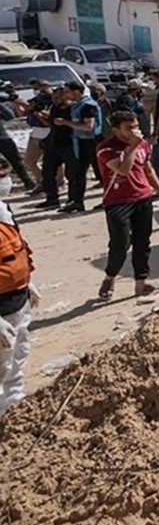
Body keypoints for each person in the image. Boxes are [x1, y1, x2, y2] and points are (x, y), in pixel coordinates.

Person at [95, 110, 159, 301]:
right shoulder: (106, 149)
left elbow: (148, 170)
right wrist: (131, 148)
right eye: (129, 128)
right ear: (116, 130)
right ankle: (110, 276)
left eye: (135, 126)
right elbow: (123, 169)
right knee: (120, 244)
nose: (134, 131)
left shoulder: (143, 145)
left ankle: (141, 282)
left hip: (142, 197)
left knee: (142, 242)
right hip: (118, 201)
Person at [0, 190, 36, 416]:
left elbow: (17, 250)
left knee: (17, 356)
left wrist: (27, 281)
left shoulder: (4, 211)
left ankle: (14, 406)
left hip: (17, 299)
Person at [55, 81, 101, 214]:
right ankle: (77, 202)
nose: (65, 94)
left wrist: (66, 123)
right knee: (78, 173)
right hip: (81, 142)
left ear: (76, 91)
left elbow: (88, 126)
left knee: (101, 173)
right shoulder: (77, 106)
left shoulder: (88, 106)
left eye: (67, 91)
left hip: (92, 142)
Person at [38, 86, 73, 210]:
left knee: (72, 175)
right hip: (54, 144)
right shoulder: (54, 108)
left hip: (69, 144)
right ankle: (52, 199)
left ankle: (73, 201)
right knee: (47, 172)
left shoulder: (72, 108)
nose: (55, 99)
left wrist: (65, 122)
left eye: (57, 97)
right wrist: (41, 117)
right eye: (53, 97)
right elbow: (52, 124)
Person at [22, 79, 54, 192]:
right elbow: (23, 112)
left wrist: (39, 114)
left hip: (49, 131)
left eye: (38, 88)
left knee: (53, 160)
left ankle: (59, 182)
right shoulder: (37, 99)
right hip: (36, 131)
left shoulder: (54, 99)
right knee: (29, 160)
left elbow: (49, 119)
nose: (37, 91)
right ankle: (42, 181)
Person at [0, 93, 36, 194]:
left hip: (2, 138)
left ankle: (28, 182)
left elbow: (9, 116)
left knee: (16, 161)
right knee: (15, 161)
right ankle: (27, 182)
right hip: (3, 138)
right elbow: (9, 116)